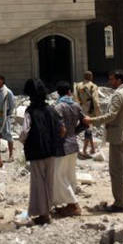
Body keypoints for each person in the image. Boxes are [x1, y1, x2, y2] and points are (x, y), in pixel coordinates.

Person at [84, 70, 123, 213]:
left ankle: (120, 203)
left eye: (112, 79)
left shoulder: (118, 96)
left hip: (118, 137)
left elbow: (111, 115)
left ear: (119, 80)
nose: (110, 82)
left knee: (117, 171)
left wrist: (93, 120)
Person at [20, 78, 63, 225]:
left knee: (38, 182)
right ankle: (48, 210)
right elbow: (60, 128)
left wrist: (23, 141)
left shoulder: (29, 112)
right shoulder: (51, 110)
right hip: (51, 150)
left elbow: (24, 132)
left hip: (36, 152)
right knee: (49, 181)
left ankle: (43, 214)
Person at [52, 81, 84, 217]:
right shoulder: (76, 106)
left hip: (62, 146)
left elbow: (58, 127)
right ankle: (68, 204)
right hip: (74, 144)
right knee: (69, 175)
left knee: (58, 176)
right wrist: (74, 132)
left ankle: (73, 204)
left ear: (58, 93)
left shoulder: (58, 107)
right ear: (70, 92)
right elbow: (85, 122)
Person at [73, 71, 101, 157]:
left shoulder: (78, 85)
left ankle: (92, 148)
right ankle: (84, 150)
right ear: (91, 77)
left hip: (81, 110)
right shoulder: (93, 86)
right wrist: (98, 114)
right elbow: (96, 101)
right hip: (90, 111)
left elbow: (75, 98)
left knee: (88, 129)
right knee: (88, 129)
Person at [0, 74, 15, 161]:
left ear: (3, 81)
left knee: (8, 135)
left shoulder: (7, 92)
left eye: (0, 79)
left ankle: (11, 155)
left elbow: (12, 104)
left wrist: (8, 114)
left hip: (5, 116)